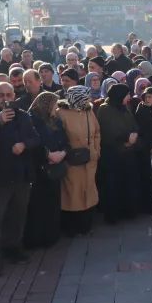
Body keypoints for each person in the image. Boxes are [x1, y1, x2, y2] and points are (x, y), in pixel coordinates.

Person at [0, 82, 41, 276]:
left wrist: (23, 144)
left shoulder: (22, 115)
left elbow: (35, 139)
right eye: (1, 95)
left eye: (9, 95)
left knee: (17, 215)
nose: (5, 98)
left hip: (20, 176)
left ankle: (13, 249)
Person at [24, 91, 66, 249]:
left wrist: (62, 152)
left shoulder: (54, 120)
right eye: (54, 104)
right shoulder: (31, 120)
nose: (56, 108)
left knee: (52, 203)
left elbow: (63, 139)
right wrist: (48, 155)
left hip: (55, 168)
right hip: (39, 169)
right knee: (38, 206)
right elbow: (34, 143)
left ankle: (51, 235)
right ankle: (37, 239)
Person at [56, 87, 100, 236]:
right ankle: (72, 227)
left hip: (89, 160)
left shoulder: (88, 111)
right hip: (72, 161)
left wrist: (96, 151)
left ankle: (87, 225)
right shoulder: (61, 114)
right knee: (72, 194)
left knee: (88, 191)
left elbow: (96, 132)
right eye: (85, 97)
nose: (89, 100)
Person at [97, 83, 141, 223]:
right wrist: (124, 139)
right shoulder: (105, 109)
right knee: (113, 185)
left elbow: (133, 125)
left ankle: (129, 211)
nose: (129, 97)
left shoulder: (125, 108)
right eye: (126, 95)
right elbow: (108, 131)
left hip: (128, 152)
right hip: (113, 154)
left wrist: (133, 137)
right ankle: (113, 215)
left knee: (129, 183)